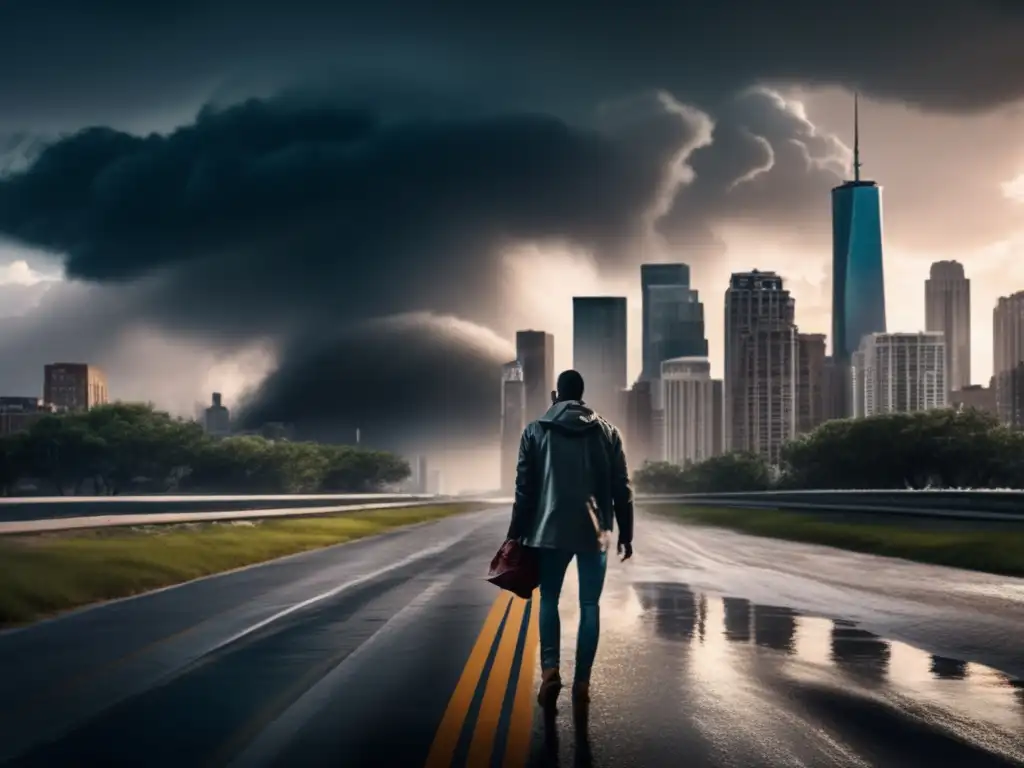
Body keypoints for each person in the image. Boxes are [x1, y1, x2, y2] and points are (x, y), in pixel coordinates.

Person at [506, 369, 634, 707]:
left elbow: (524, 491)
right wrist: (627, 533)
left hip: (547, 532)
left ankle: (550, 671)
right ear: (583, 395)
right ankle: (582, 684)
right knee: (589, 605)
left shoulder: (534, 431)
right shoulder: (608, 432)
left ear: (555, 395)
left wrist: (514, 535)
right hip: (596, 533)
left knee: (549, 598)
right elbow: (622, 488)